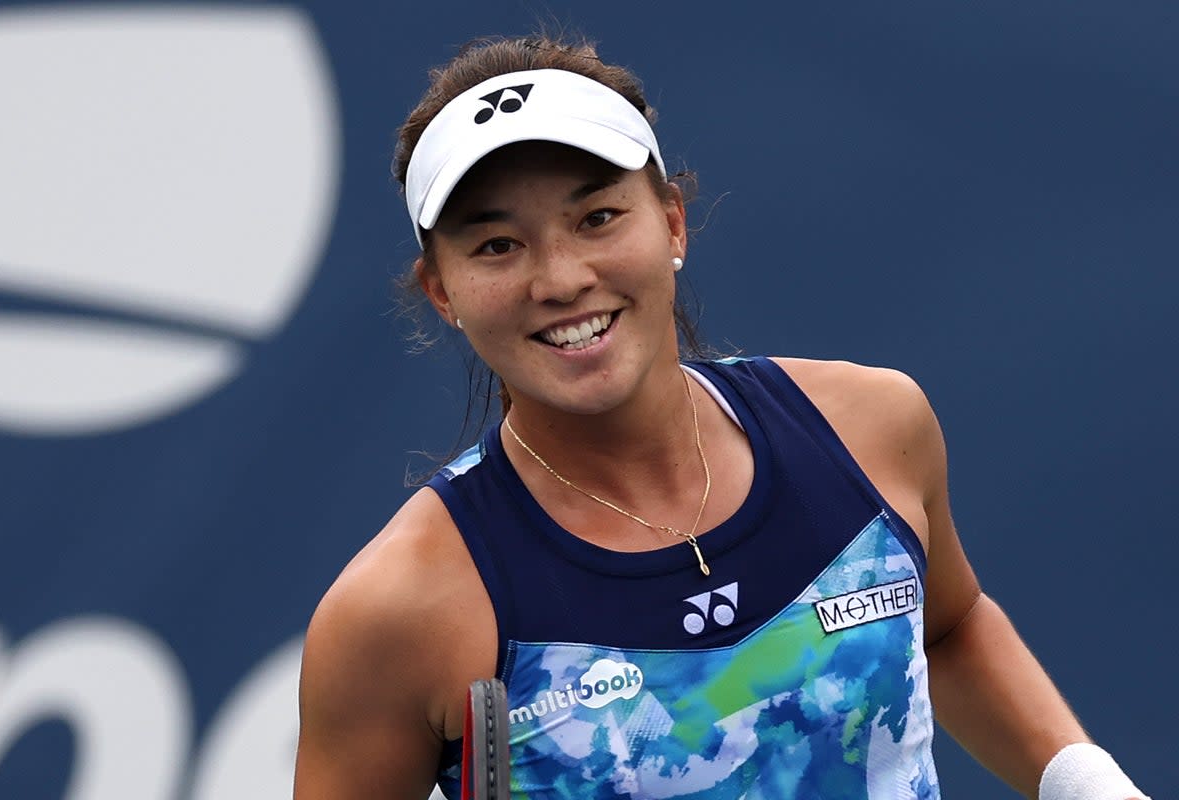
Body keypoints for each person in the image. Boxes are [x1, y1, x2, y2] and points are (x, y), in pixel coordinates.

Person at [293, 34, 1150, 800]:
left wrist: (1090, 786)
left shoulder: (870, 426)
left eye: (597, 217)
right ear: (443, 292)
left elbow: (951, 628)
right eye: (496, 246)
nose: (558, 280)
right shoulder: (401, 609)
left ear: (671, 222)